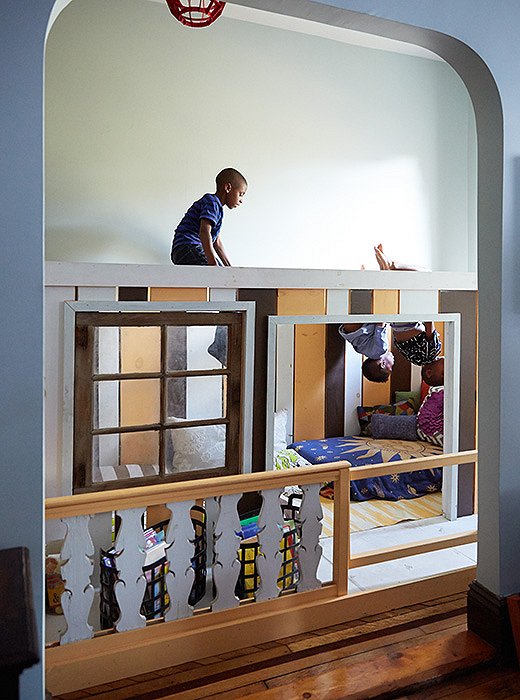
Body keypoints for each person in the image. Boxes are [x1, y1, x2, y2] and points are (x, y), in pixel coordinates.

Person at [171, 167, 247, 266]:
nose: (241, 200)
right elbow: (204, 231)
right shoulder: (212, 202)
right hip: (188, 246)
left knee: (221, 273)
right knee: (217, 274)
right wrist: (212, 262)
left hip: (184, 249)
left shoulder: (217, 208)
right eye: (240, 194)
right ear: (228, 188)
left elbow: (217, 243)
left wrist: (229, 268)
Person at [339, 321, 424, 383]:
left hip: (359, 326)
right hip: (349, 328)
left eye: (391, 366)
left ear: (383, 364)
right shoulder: (365, 352)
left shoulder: (381, 351)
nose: (393, 362)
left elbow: (380, 325)